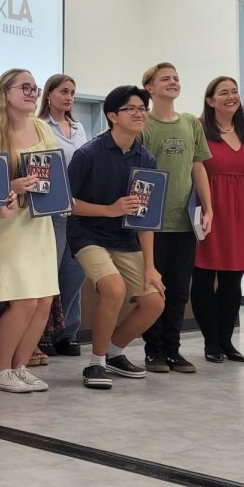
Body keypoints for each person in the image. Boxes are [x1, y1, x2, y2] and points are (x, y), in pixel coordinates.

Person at [0, 69, 58, 394]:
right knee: (24, 301)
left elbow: (53, 172)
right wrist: (12, 185)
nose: (33, 92)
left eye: (35, 87)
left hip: (38, 224)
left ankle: (19, 366)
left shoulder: (42, 127)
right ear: (5, 94)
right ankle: (0, 368)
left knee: (43, 300)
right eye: (25, 87)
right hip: (4, 226)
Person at [67, 86, 167, 390]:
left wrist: (150, 266)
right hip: (87, 233)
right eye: (130, 108)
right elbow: (66, 202)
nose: (139, 113)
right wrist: (109, 210)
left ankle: (114, 352)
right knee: (114, 289)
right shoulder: (89, 153)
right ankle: (95, 363)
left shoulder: (145, 159)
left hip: (125, 239)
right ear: (112, 116)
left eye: (142, 108)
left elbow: (146, 218)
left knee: (154, 301)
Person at [138, 62, 213, 374]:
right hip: (152, 223)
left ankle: (173, 349)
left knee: (180, 290)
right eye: (164, 78)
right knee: (155, 289)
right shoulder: (143, 125)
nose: (172, 82)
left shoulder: (190, 123)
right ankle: (153, 350)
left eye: (176, 78)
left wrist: (208, 208)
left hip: (184, 223)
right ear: (150, 88)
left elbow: (198, 166)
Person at [192, 77, 244, 363]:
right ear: (210, 101)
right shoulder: (198, 128)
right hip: (209, 207)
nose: (231, 96)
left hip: (243, 209)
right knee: (205, 277)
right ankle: (210, 342)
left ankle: (226, 341)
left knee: (233, 279)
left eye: (234, 92)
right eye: (223, 93)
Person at [39, 73, 89, 356]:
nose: (69, 97)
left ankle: (67, 330)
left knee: (75, 272)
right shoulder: (41, 126)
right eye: (63, 91)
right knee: (51, 271)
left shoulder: (79, 128)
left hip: (79, 208)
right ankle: (44, 330)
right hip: (54, 208)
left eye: (72, 92)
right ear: (49, 95)